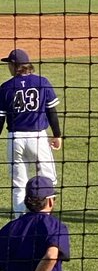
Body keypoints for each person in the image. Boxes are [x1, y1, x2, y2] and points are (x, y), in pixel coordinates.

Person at [0, 49, 62, 216]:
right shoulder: (42, 82)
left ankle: (19, 221)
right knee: (48, 180)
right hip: (38, 138)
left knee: (18, 185)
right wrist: (57, 135)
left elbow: (0, 119)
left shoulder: (5, 88)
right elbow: (51, 112)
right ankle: (45, 219)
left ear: (14, 65)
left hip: (15, 139)